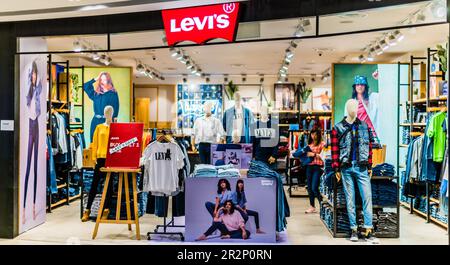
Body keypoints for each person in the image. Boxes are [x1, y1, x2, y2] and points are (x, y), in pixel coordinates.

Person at [81, 106, 115, 222]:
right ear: (104, 114)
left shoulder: (116, 127)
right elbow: (94, 143)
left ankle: (106, 210)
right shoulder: (99, 127)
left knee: (109, 185)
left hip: (111, 158)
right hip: (100, 159)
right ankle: (87, 210)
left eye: (110, 112)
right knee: (95, 184)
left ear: (113, 113)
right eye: (107, 112)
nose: (108, 114)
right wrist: (94, 157)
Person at [23, 61, 43, 224]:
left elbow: (41, 86)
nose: (35, 76)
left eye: (36, 73)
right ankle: (23, 209)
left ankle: (34, 207)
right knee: (28, 167)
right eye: (33, 74)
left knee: (36, 167)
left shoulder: (38, 91)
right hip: (30, 125)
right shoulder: (28, 93)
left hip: (36, 125)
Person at [83, 72, 119, 142]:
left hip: (107, 122)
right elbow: (85, 86)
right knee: (94, 142)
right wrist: (96, 79)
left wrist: (114, 124)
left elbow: (116, 108)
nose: (102, 82)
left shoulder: (113, 93)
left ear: (108, 81)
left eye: (104, 80)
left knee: (106, 143)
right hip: (95, 122)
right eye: (101, 80)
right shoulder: (96, 94)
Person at [351, 75, 379, 142]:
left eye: (362, 84)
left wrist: (379, 78)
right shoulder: (351, 102)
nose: (360, 86)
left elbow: (385, 94)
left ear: (365, 86)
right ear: (355, 87)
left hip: (372, 135)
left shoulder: (373, 98)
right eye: (357, 85)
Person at [304, 127, 325, 214]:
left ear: (319, 134)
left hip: (318, 167)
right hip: (309, 167)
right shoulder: (309, 145)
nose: (313, 136)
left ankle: (322, 205)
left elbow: (324, 156)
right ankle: (312, 206)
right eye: (312, 134)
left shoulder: (323, 144)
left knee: (314, 187)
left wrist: (314, 154)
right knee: (309, 188)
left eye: (315, 134)